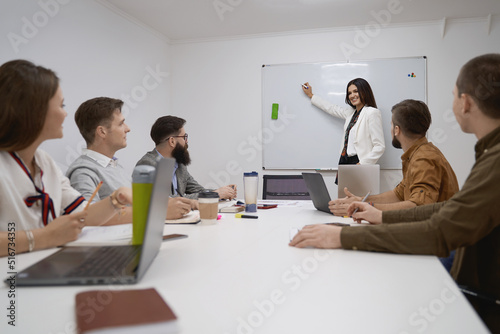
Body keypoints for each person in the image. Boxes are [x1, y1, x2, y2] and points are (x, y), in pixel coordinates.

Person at [290, 54, 500, 332]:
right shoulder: (462, 155)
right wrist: (367, 205)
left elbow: (435, 224)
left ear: (465, 102)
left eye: (453, 96)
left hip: (469, 280)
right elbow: (428, 203)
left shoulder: (465, 159)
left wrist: (344, 235)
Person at [0, 59, 132, 257]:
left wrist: (115, 199)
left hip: (44, 267)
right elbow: (48, 235)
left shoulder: (45, 162)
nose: (65, 114)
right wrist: (43, 237)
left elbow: (83, 214)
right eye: (61, 105)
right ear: (34, 111)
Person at [66, 97, 191, 220]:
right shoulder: (83, 171)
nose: (128, 128)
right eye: (121, 123)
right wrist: (159, 212)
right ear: (102, 131)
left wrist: (184, 203)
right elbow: (87, 218)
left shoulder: (115, 167)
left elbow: (141, 201)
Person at [329, 99, 459, 216]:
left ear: (397, 130)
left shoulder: (423, 159)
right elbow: (399, 194)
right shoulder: (417, 154)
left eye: (391, 125)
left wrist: (367, 207)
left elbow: (420, 206)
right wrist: (361, 200)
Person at [136, 116, 237, 202]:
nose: (186, 141)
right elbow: (167, 201)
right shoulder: (147, 165)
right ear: (172, 141)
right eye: (184, 137)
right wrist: (215, 195)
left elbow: (198, 191)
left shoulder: (179, 164)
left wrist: (223, 192)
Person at [302, 78, 385, 183]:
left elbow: (379, 146)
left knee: (357, 197)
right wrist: (311, 95)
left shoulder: (372, 113)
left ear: (364, 91)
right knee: (344, 196)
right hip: (345, 161)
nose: (352, 95)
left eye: (356, 91)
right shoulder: (351, 113)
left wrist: (362, 164)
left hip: (359, 163)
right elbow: (332, 108)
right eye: (349, 93)